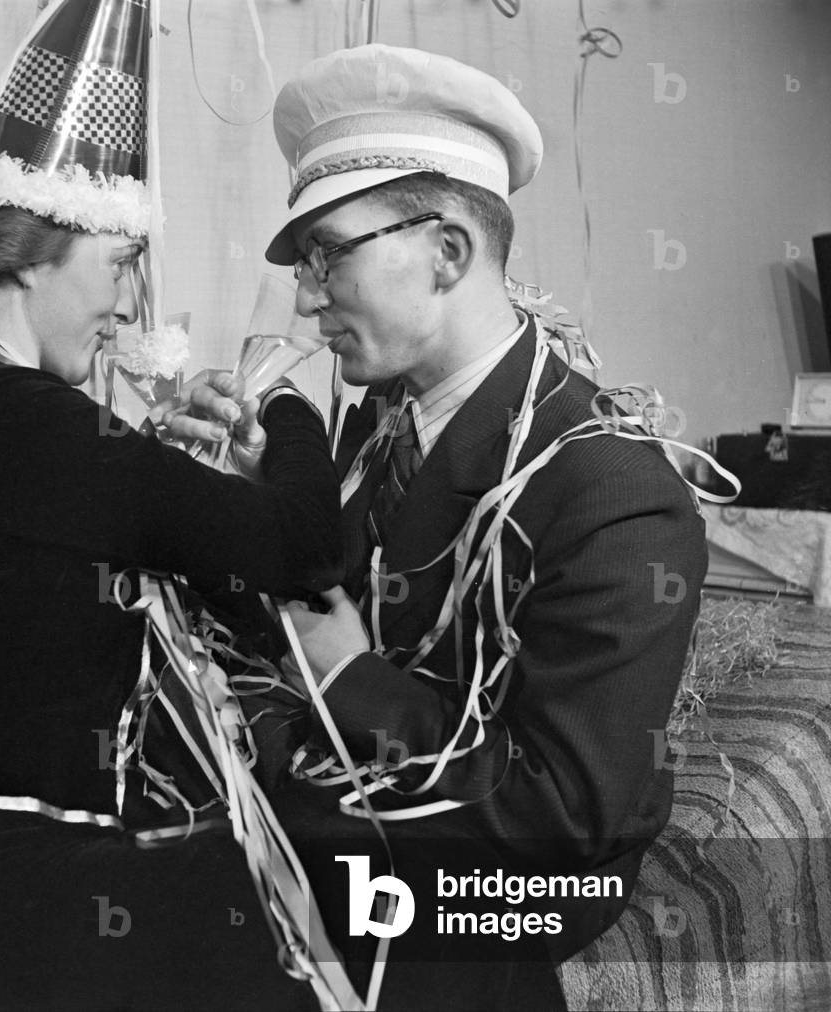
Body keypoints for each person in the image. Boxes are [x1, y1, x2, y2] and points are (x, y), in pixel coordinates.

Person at [0, 3, 339, 1008]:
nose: (133, 303)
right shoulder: (42, 426)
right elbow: (305, 547)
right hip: (13, 908)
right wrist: (284, 404)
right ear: (24, 250)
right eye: (119, 261)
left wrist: (163, 479)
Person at [209, 44, 709, 1011]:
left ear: (448, 252)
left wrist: (347, 675)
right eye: (301, 265)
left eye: (328, 255)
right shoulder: (375, 418)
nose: (307, 298)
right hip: (369, 792)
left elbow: (563, 820)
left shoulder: (608, 485)